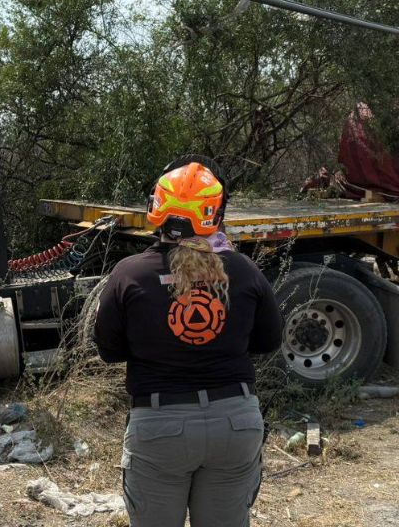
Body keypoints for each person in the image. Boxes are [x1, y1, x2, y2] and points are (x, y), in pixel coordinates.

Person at [94, 157, 284, 527]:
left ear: (157, 208)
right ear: (215, 212)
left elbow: (109, 350)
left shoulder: (129, 274)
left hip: (160, 427)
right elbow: (269, 340)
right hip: (235, 424)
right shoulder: (244, 270)